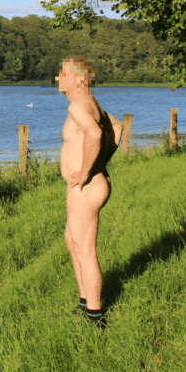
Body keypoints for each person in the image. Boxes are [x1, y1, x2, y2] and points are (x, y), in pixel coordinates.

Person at [56, 56, 122, 327]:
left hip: (86, 187)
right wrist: (100, 163)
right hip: (88, 185)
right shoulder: (90, 103)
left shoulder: (78, 105)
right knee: (72, 240)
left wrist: (86, 171)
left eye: (63, 73)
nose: (58, 78)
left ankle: (95, 316)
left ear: (80, 78)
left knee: (85, 249)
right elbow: (116, 128)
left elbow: (95, 135)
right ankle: (85, 302)